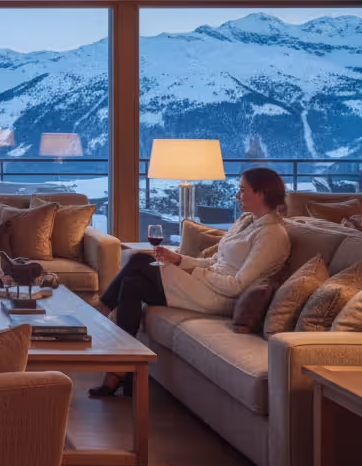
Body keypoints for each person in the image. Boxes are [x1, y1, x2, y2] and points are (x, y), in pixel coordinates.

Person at [90, 167, 292, 397]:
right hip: (206, 284)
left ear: (262, 192)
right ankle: (121, 369)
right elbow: (215, 261)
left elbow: (238, 285)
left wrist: (192, 274)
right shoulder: (247, 221)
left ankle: (98, 315)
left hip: (219, 297)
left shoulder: (272, 235)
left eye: (243, 190)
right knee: (132, 286)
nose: (237, 195)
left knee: (138, 260)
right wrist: (179, 260)